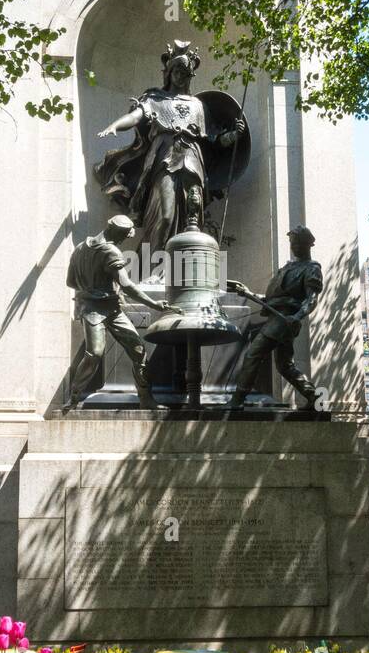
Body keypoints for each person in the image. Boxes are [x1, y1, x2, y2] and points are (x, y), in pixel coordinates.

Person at [93, 42, 246, 253]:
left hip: (193, 161)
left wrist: (233, 135)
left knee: (192, 219)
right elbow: (136, 116)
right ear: (169, 72)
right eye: (176, 71)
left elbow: (213, 140)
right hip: (164, 158)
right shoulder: (155, 99)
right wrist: (115, 126)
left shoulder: (198, 106)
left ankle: (184, 272)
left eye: (184, 72)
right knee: (165, 216)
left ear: (190, 75)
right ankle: (154, 268)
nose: (180, 76)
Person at [66, 215, 180, 409]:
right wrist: (154, 304)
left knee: (138, 351)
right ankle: (74, 398)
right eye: (125, 237)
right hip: (94, 311)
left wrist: (92, 287)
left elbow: (71, 282)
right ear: (118, 234)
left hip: (111, 310)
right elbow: (126, 285)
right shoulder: (111, 251)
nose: (124, 241)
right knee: (94, 353)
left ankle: (146, 399)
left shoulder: (79, 249)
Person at [226, 225, 324, 409]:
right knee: (284, 366)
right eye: (291, 243)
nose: (293, 246)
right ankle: (314, 397)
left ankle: (237, 400)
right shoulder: (288, 267)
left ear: (307, 245)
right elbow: (271, 299)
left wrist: (297, 316)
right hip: (276, 318)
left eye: (296, 243)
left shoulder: (311, 269)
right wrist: (249, 293)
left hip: (284, 320)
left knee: (252, 354)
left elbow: (311, 300)